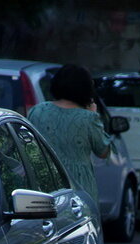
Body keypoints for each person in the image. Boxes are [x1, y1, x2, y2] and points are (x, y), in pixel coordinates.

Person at [26, 64, 111, 210]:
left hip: (43, 182)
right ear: (85, 89)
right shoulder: (88, 118)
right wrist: (94, 114)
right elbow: (103, 152)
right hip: (79, 185)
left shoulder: (37, 111)